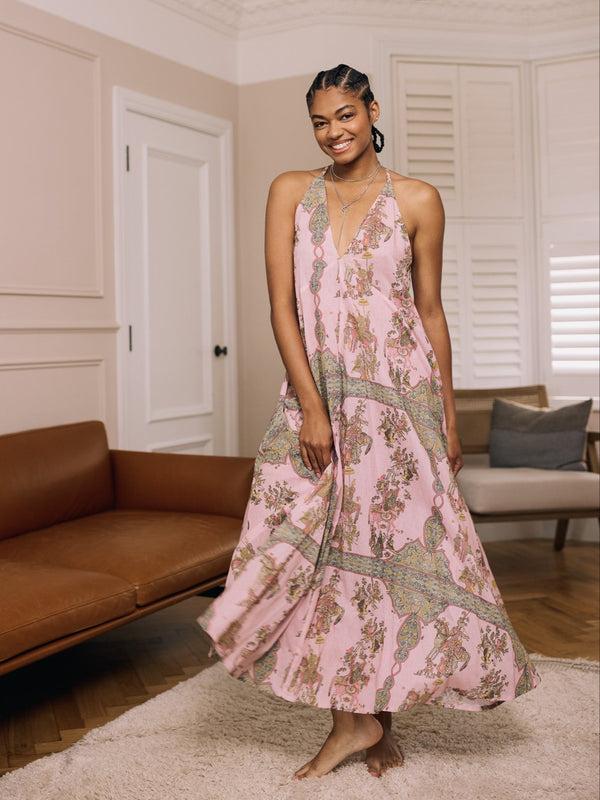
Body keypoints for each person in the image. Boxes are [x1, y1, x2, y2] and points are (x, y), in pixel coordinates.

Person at [198, 64, 540, 780]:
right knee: (320, 557)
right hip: (321, 401)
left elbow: (431, 313)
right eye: (321, 121)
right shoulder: (291, 192)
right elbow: (282, 310)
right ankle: (352, 725)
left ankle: (372, 724)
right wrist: (314, 409)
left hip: (401, 404)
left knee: (387, 560)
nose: (334, 132)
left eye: (346, 115)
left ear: (372, 110)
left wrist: (445, 415)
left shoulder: (417, 199)